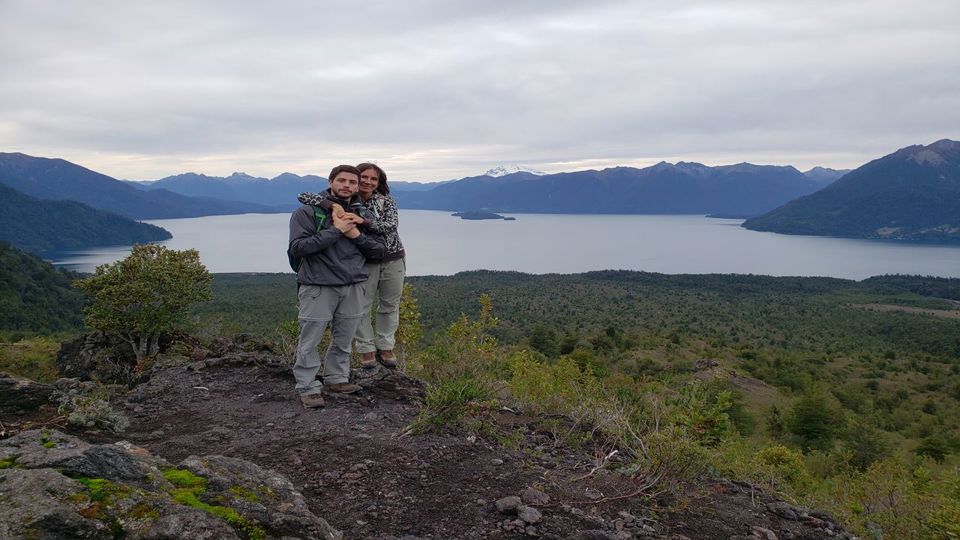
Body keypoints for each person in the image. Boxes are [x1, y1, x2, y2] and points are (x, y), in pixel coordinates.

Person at [288, 165, 386, 408]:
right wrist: (336, 231)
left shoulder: (362, 216)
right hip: (318, 285)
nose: (347, 186)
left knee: (344, 338)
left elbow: (380, 251)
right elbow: (298, 248)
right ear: (330, 182)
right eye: (341, 181)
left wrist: (355, 234)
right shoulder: (307, 213)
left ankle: (337, 379)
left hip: (353, 284)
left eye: (353, 182)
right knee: (310, 339)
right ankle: (308, 386)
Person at [297, 162, 406, 370]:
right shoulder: (348, 201)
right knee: (361, 307)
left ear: (379, 183)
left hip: (392, 257)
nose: (368, 182)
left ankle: (385, 346)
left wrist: (362, 222)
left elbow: (391, 226)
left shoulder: (384, 202)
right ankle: (366, 349)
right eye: (363, 177)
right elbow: (304, 196)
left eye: (374, 179)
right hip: (365, 260)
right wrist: (332, 206)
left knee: (390, 304)